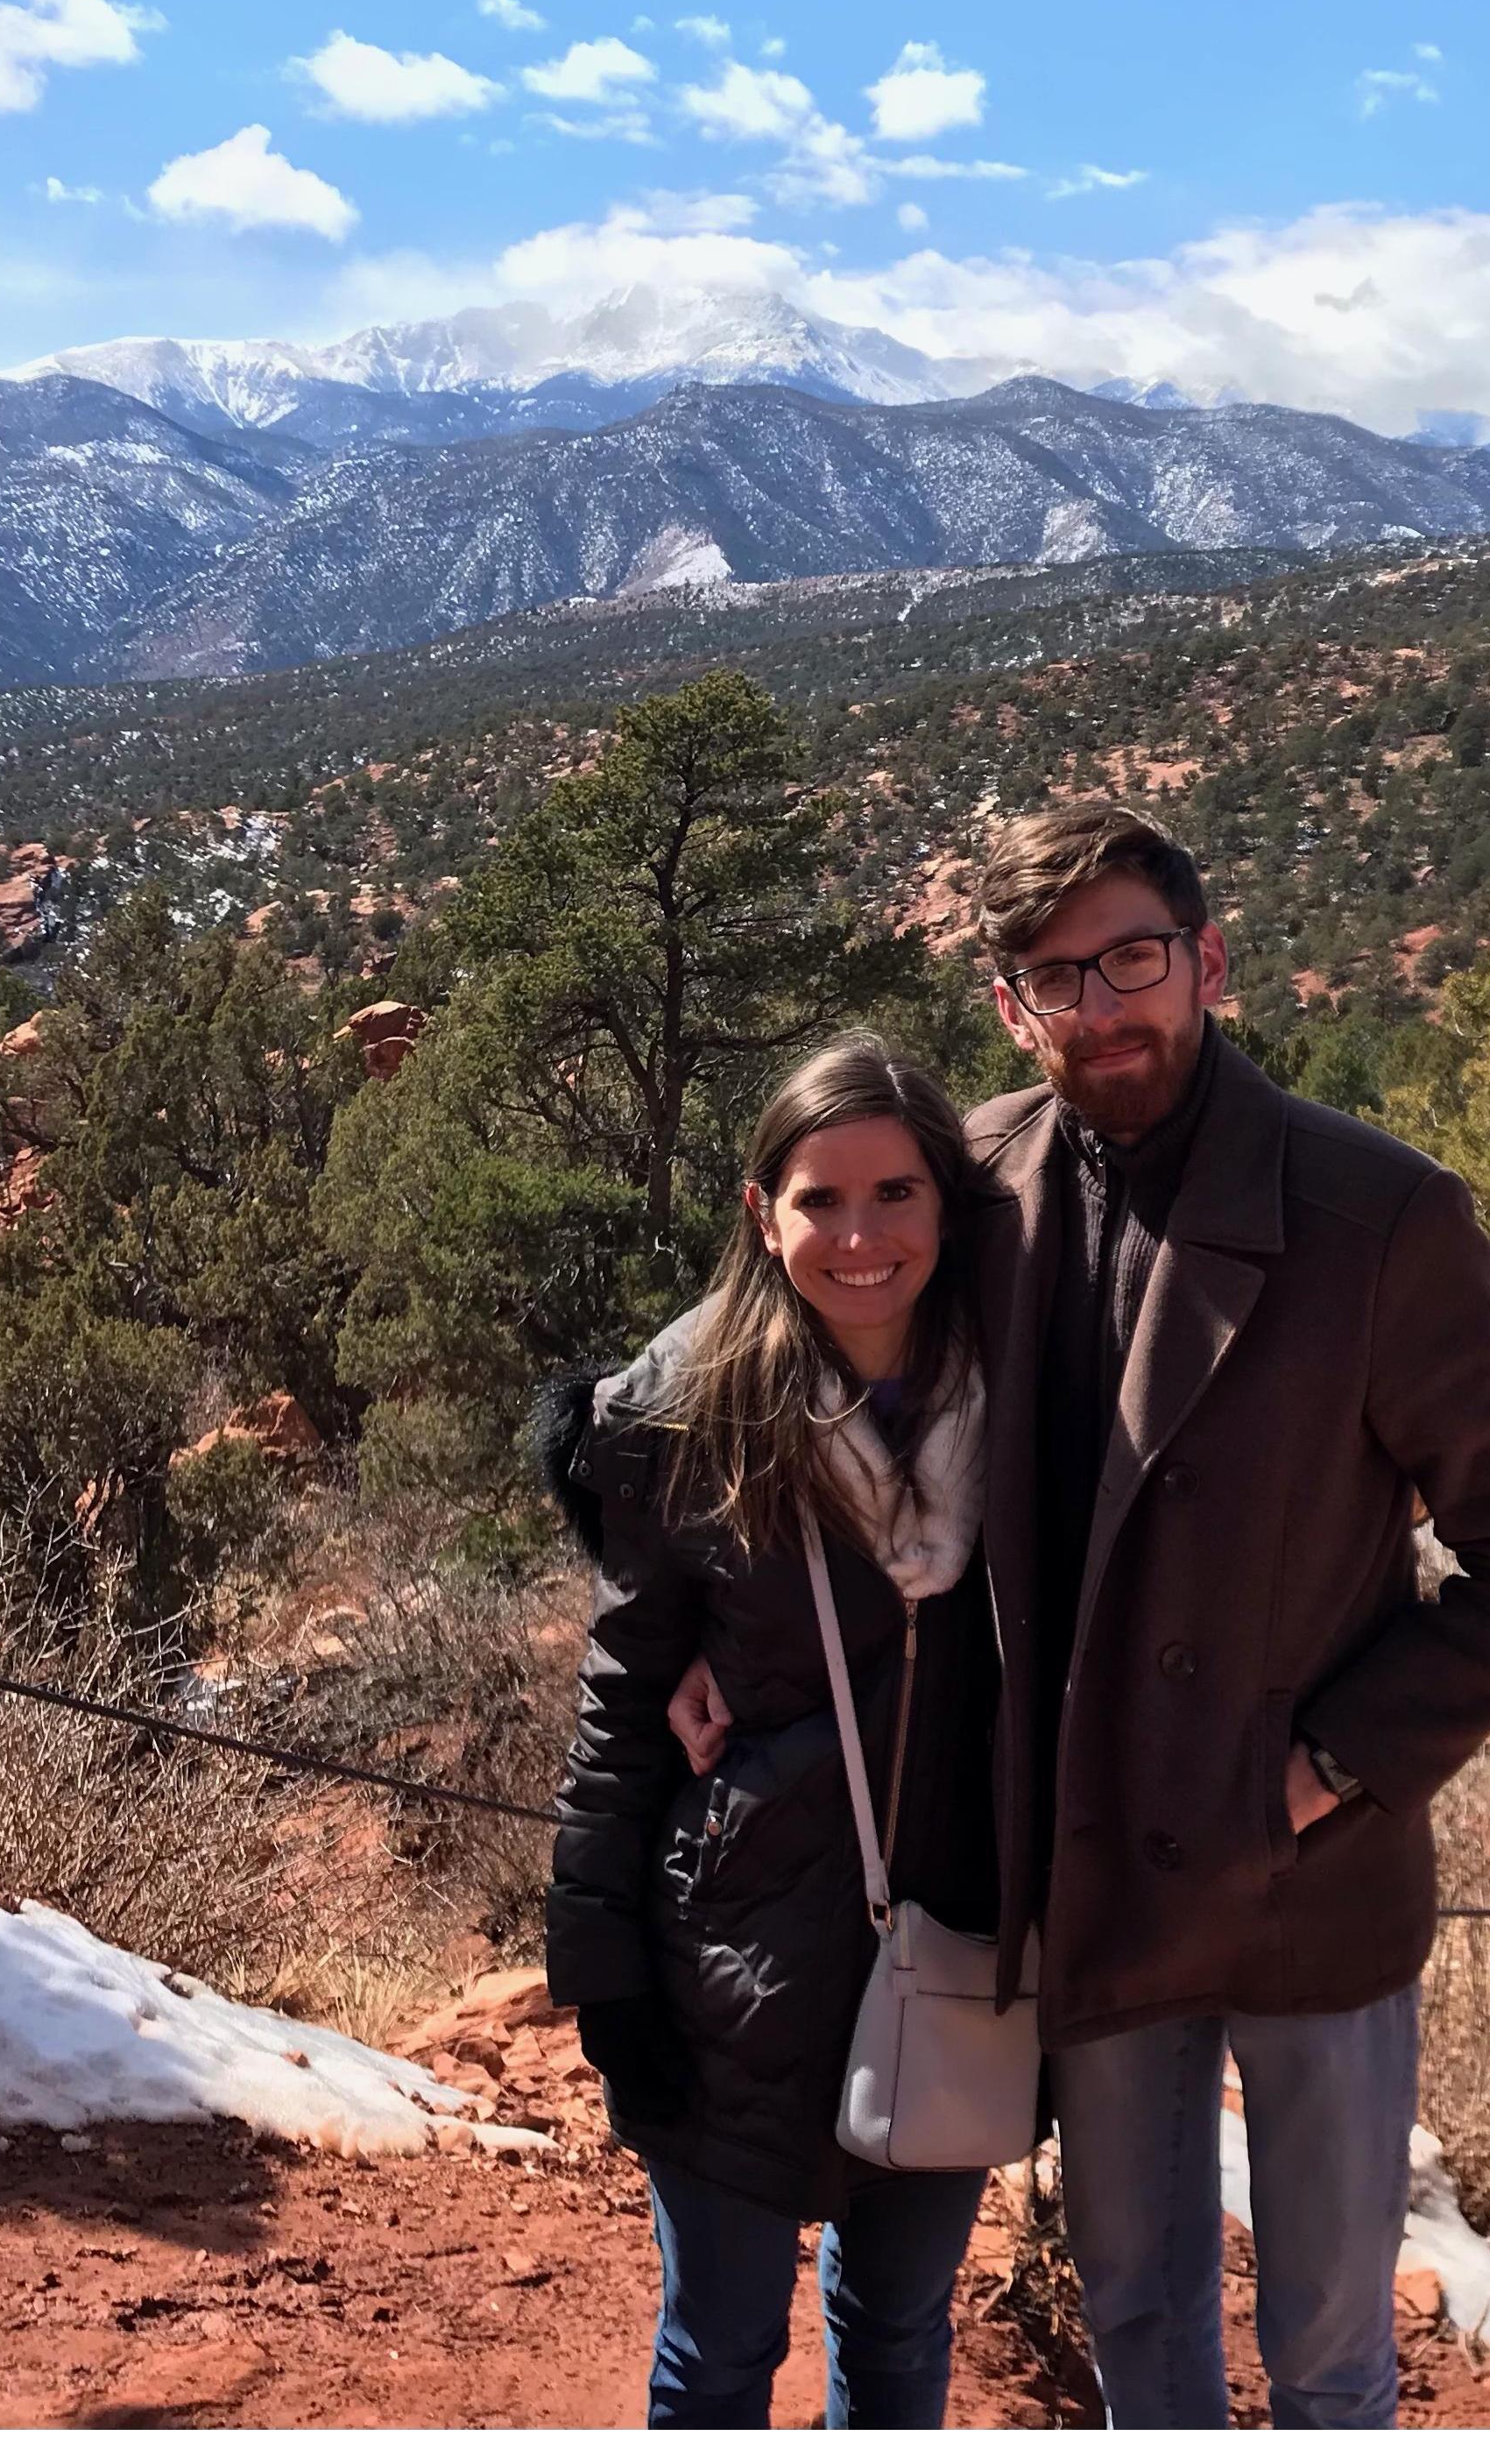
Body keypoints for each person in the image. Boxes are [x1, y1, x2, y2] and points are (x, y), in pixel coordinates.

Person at [956, 800, 1490, 2430]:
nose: (1101, 1010)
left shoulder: (1375, 1216)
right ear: (1009, 1004)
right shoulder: (970, 1188)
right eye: (1058, 977)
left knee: (1328, 2356)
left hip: (1305, 1875)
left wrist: (1336, 1763)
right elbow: (788, 1349)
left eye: (1133, 961)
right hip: (1094, 1863)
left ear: (1210, 963)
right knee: (1142, 2321)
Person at [543, 1038, 1005, 2432]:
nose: (860, 1237)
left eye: (897, 1194)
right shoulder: (695, 1417)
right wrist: (604, 1974)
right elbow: (625, 1701)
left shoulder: (1029, 1402)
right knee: (722, 2350)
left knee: (903, 2333)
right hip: (732, 1969)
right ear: (763, 1213)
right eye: (821, 1201)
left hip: (957, 1948)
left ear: (949, 1205)